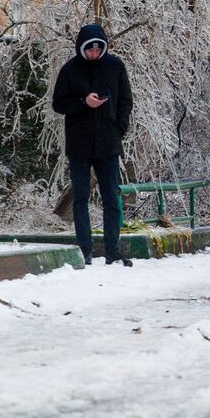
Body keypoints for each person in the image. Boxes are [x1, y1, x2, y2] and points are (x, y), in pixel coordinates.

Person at [52, 23, 133, 266]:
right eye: (90, 50)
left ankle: (113, 251)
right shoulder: (70, 70)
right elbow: (58, 104)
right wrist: (83, 102)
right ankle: (85, 250)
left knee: (111, 196)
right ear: (82, 49)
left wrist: (120, 126)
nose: (95, 54)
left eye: (98, 49)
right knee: (81, 197)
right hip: (79, 142)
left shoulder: (115, 66)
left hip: (108, 142)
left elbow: (125, 100)